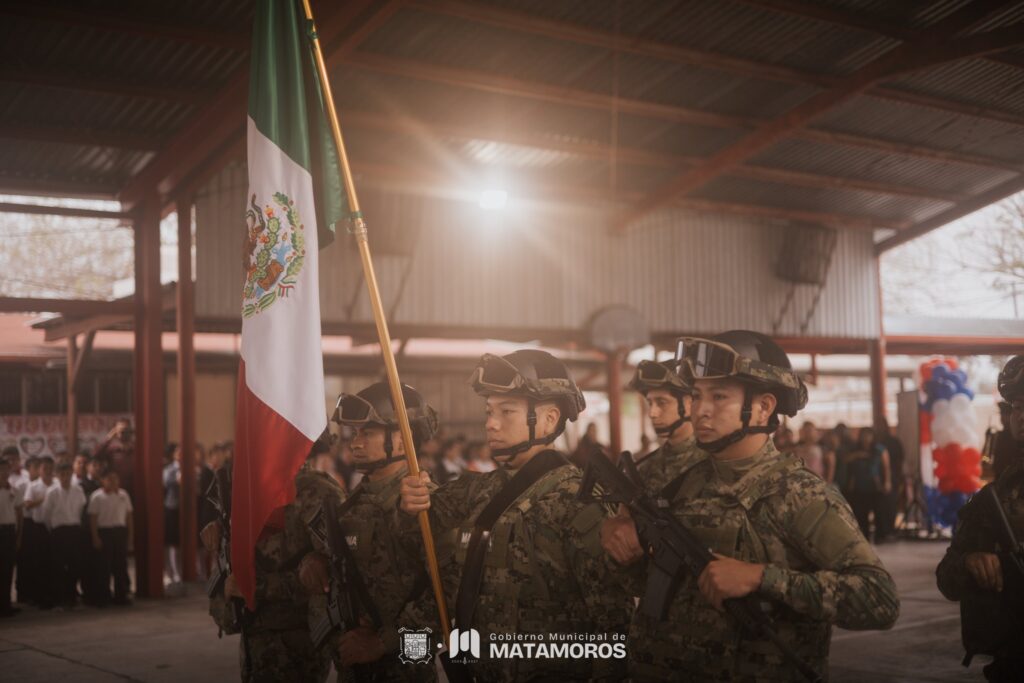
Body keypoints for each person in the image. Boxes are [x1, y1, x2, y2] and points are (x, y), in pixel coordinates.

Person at [601, 330, 899, 681]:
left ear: (762, 407)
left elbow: (879, 599)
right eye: (696, 396)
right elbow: (648, 588)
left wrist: (761, 578)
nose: (702, 410)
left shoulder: (798, 494)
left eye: (720, 396)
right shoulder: (681, 485)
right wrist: (622, 544)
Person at [400, 350, 631, 682]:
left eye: (506, 411)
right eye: (489, 411)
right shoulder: (476, 490)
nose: (490, 423)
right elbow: (416, 534)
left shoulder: (579, 502)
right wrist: (411, 498)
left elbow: (613, 625)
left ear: (550, 419)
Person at [300, 382, 446, 681]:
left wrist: (382, 644)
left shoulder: (424, 502)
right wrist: (314, 559)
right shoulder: (351, 505)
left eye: (368, 433)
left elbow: (447, 609)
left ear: (403, 440)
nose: (355, 443)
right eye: (354, 434)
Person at [204, 435, 335, 683]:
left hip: (297, 643)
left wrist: (259, 586)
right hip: (254, 638)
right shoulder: (249, 490)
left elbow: (333, 576)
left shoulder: (317, 492)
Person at [936, 355, 1024, 681]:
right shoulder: (999, 494)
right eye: (1017, 406)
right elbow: (946, 577)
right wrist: (971, 562)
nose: (1021, 416)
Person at [627, 359, 700, 495]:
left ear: (689, 404)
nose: (652, 413)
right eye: (650, 403)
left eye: (662, 402)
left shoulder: (715, 464)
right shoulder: (646, 468)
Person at [42, 461, 87, 609]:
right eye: (62, 474)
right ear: (57, 475)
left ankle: (71, 597)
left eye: (68, 474)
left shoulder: (78, 490)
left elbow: (81, 509)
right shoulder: (52, 492)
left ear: (71, 474)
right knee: (58, 567)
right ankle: (59, 599)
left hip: (74, 530)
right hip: (58, 532)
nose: (65, 477)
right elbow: (46, 515)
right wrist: (54, 529)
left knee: (76, 565)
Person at [88, 469, 134, 606]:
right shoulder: (97, 496)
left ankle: (121, 595)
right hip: (105, 532)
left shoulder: (124, 495)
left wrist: (130, 538)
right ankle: (103, 596)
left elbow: (129, 517)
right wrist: (95, 537)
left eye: (115, 479)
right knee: (104, 566)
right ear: (103, 481)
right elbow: (93, 519)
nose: (113, 482)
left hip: (120, 532)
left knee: (120, 565)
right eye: (109, 479)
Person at [845, 427, 892, 542]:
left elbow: (886, 467)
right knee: (861, 513)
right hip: (859, 486)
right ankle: (864, 537)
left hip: (876, 485)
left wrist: (887, 482)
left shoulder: (879, 449)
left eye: (869, 435)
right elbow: (845, 460)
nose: (866, 438)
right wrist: (857, 455)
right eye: (864, 435)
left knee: (879, 512)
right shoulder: (855, 450)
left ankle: (880, 536)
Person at [24, 456, 56, 608]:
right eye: (45, 469)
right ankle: (39, 597)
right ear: (39, 470)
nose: (48, 471)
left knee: (52, 564)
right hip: (39, 527)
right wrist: (44, 499)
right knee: (39, 564)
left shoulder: (57, 484)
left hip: (55, 528)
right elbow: (27, 505)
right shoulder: (33, 486)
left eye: (50, 469)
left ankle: (52, 595)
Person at [0, 457, 23, 617]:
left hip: (9, 531)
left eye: (6, 470)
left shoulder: (14, 489)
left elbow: (19, 514)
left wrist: (18, 536)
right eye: (1, 470)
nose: (3, 473)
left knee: (7, 569)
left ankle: (5, 604)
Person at [163, 443, 182, 586]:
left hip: (187, 508)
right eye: (178, 451)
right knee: (172, 541)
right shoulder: (169, 470)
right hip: (172, 507)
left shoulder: (194, 468)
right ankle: (172, 572)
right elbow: (165, 483)